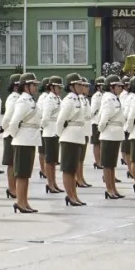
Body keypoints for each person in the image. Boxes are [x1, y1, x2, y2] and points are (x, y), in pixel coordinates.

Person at [8, 73, 43, 213]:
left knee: (26, 174)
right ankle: (20, 202)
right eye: (33, 84)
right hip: (23, 140)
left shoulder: (30, 100)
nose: (36, 87)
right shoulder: (23, 101)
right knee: (22, 174)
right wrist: (17, 136)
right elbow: (14, 122)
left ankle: (24, 201)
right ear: (26, 86)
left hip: (30, 140)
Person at [55, 73, 88, 207]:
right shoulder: (68, 100)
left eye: (81, 84)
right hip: (69, 137)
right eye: (78, 84)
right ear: (72, 86)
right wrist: (62, 135)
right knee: (68, 169)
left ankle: (74, 195)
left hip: (78, 136)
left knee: (74, 169)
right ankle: (70, 196)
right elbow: (60, 121)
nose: (81, 87)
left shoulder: (78, 99)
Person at [96, 75, 126, 200]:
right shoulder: (108, 99)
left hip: (115, 133)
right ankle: (109, 189)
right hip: (109, 133)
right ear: (112, 87)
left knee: (112, 164)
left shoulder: (114, 98)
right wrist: (102, 130)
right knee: (107, 164)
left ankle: (113, 188)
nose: (121, 88)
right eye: (118, 86)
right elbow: (104, 118)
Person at [38, 76, 63, 195]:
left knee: (53, 161)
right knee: (49, 160)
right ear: (52, 87)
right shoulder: (49, 99)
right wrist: (44, 129)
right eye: (58, 87)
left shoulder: (57, 98)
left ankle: (54, 182)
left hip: (55, 132)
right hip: (49, 132)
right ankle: (50, 183)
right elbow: (45, 117)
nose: (60, 89)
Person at [0, 74, 21, 200]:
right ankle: (12, 188)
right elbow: (7, 117)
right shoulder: (13, 98)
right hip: (11, 133)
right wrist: (5, 128)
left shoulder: (19, 97)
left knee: (16, 163)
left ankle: (15, 188)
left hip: (16, 133)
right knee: (12, 163)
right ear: (15, 86)